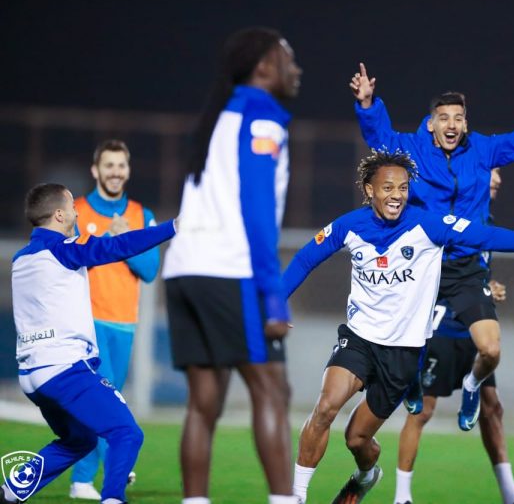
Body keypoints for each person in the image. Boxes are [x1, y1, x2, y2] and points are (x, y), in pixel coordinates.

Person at [285, 150, 514, 503]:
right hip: (359, 339)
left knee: (357, 439)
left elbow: (483, 236)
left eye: (403, 188)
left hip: (403, 353)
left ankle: (365, 476)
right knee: (325, 408)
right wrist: (273, 307)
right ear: (369, 190)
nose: (397, 195)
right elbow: (304, 259)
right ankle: (295, 496)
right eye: (388, 187)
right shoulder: (349, 226)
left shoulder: (428, 224)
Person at [350, 63, 514, 431]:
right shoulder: (412, 149)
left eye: (458, 118)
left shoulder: (482, 150)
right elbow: (379, 138)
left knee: (491, 349)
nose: (451, 124)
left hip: (466, 267)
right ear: (430, 123)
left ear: (465, 124)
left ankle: (472, 385)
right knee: (405, 343)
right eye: (444, 118)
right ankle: (412, 380)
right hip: (422, 262)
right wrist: (368, 104)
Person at [161, 26, 302, 504]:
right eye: (287, 58)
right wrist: (273, 295)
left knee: (203, 403)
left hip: (183, 268)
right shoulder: (263, 118)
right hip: (228, 269)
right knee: (272, 390)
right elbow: (257, 209)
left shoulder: (217, 116)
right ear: (263, 66)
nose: (296, 68)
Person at [1, 183, 175, 504]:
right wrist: (173, 228)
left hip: (32, 375)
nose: (77, 213)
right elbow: (116, 248)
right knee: (126, 433)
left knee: (79, 441)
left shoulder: (22, 258)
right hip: (64, 370)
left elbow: (84, 260)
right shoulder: (63, 250)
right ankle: (113, 498)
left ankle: (10, 491)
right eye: (71, 207)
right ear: (59, 215)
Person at [394, 169, 514, 504]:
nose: (498, 180)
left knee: (493, 408)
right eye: (490, 173)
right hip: (442, 325)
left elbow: (474, 274)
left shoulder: (486, 221)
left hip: (472, 328)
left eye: (499, 174)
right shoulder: (446, 218)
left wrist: (489, 286)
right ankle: (401, 497)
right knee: (422, 411)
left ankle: (511, 496)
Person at [69, 139, 160, 500]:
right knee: (105, 400)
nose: (115, 172)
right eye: (109, 165)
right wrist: (105, 242)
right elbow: (67, 263)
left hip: (124, 324)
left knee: (106, 401)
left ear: (128, 170)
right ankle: (110, 468)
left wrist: (124, 237)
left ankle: (84, 480)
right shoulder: (74, 211)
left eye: (121, 165)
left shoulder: (141, 215)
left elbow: (150, 270)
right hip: (87, 322)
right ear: (95, 170)